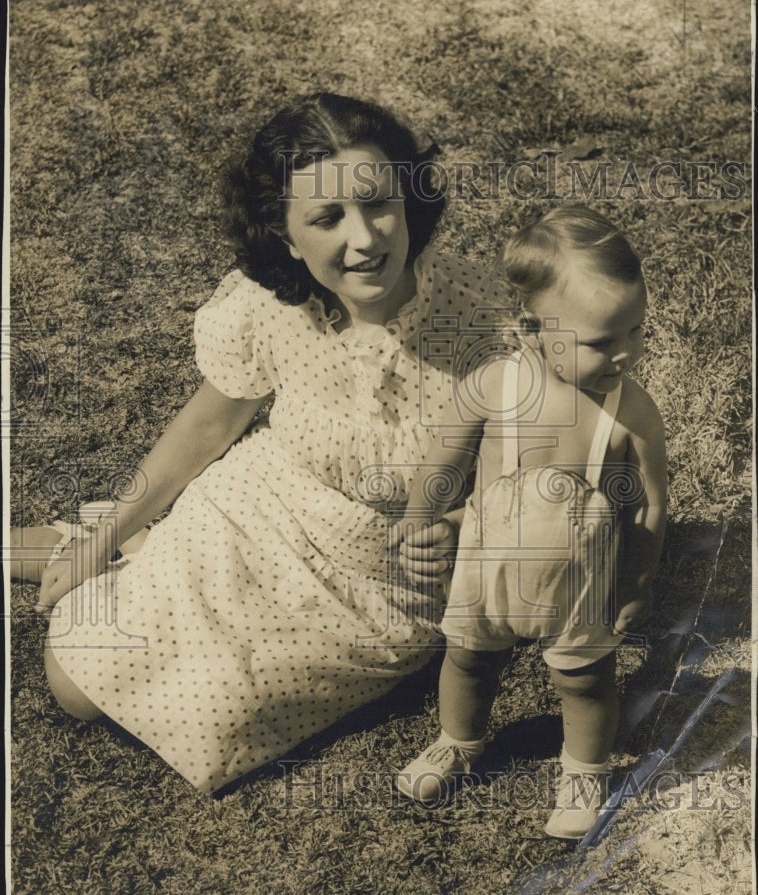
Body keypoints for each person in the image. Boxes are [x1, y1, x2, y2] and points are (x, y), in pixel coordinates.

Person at [11, 92, 514, 794]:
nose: (366, 239)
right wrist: (111, 530)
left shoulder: (480, 315)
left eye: (379, 204)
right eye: (327, 218)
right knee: (73, 684)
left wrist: (463, 527)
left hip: (383, 586)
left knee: (218, 713)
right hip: (260, 511)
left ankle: (118, 553)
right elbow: (212, 424)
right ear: (284, 236)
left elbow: (524, 469)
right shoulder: (266, 304)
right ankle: (100, 541)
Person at [393, 205, 667, 839]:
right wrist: (417, 521)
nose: (626, 354)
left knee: (586, 680)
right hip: (486, 571)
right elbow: (442, 460)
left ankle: (583, 772)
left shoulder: (631, 413)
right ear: (531, 328)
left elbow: (651, 505)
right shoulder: (495, 384)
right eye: (603, 340)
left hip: (581, 583)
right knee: (465, 660)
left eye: (636, 331)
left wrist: (636, 583)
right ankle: (457, 741)